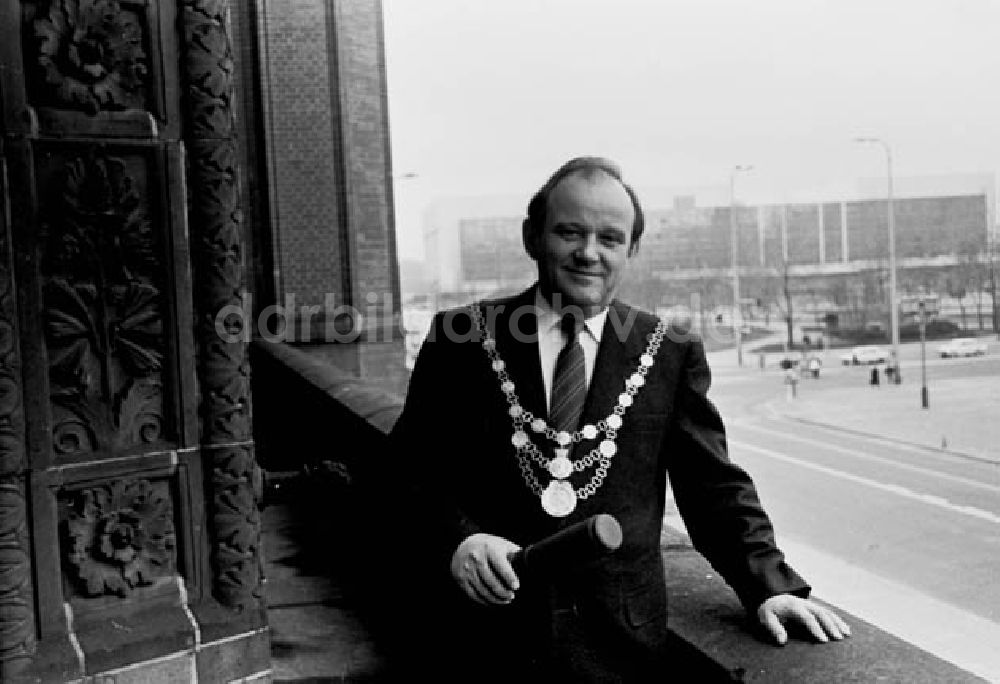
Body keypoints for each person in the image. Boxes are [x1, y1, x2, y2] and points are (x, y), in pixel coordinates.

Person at [389, 157, 849, 681]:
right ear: (532, 236)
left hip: (619, 652)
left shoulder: (669, 353)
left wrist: (770, 586)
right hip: (480, 643)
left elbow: (712, 487)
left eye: (610, 238)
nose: (589, 253)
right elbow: (406, 473)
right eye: (569, 232)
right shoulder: (462, 338)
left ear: (630, 249)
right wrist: (460, 540)